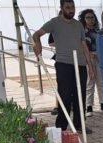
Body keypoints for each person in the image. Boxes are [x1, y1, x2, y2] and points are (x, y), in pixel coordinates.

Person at [33, 0, 96, 134]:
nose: (71, 10)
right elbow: (36, 34)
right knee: (65, 95)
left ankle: (79, 124)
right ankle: (61, 125)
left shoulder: (78, 24)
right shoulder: (54, 22)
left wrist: (90, 66)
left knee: (80, 95)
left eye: (72, 7)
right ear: (62, 8)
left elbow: (84, 45)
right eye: (68, 7)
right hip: (63, 64)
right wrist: (37, 44)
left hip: (80, 64)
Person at [80, 9, 103, 115]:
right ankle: (89, 106)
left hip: (99, 58)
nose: (90, 20)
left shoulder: (99, 32)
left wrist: (98, 55)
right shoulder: (82, 32)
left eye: (92, 17)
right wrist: (89, 55)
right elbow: (81, 47)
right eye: (88, 17)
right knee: (89, 82)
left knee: (101, 82)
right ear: (84, 19)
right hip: (87, 59)